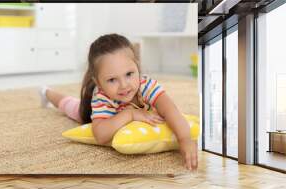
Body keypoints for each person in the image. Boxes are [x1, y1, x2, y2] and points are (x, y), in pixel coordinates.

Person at [39, 33, 197, 170]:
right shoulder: (102, 97)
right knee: (70, 106)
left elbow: (170, 110)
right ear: (99, 83)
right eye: (112, 79)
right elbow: (100, 135)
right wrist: (130, 114)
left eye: (129, 74)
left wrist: (185, 139)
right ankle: (47, 92)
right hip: (91, 113)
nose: (124, 85)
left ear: (137, 66)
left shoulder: (146, 85)